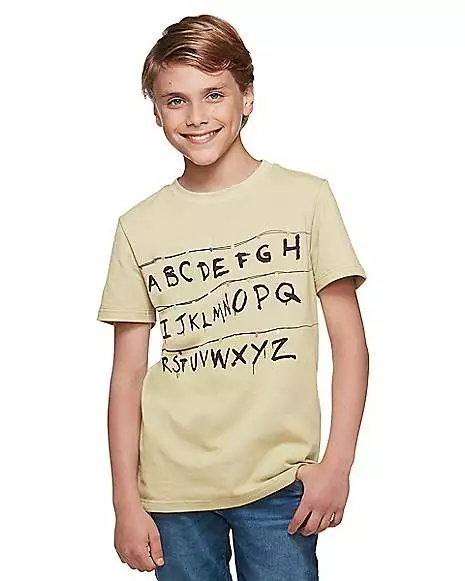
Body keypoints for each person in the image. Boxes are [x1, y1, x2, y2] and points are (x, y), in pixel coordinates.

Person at [96, 13, 369, 581]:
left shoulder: (306, 199)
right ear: (156, 111)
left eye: (214, 94)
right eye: (176, 100)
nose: (196, 117)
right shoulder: (138, 227)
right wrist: (125, 500)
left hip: (279, 483)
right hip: (172, 490)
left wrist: (337, 465)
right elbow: (127, 375)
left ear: (247, 97)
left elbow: (350, 343)